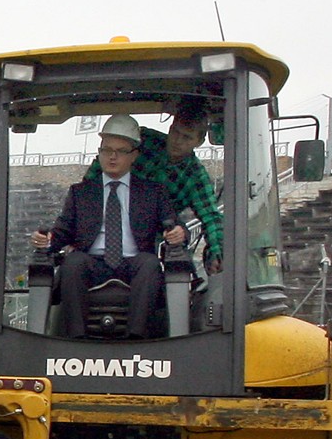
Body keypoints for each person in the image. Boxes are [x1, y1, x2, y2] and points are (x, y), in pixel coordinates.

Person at [32, 114, 184, 339]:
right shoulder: (81, 192)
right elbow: (63, 231)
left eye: (121, 151)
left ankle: (136, 337)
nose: (112, 157)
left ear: (134, 156)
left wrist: (180, 233)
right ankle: (76, 338)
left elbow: (174, 224)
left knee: (150, 263)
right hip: (93, 264)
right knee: (72, 262)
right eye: (106, 150)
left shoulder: (153, 192)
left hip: (134, 263)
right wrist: (48, 240)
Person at [84, 98, 222, 274]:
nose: (178, 141)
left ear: (199, 141)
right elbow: (94, 176)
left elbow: (211, 216)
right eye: (175, 132)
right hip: (105, 218)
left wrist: (217, 252)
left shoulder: (196, 177)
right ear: (170, 128)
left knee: (176, 257)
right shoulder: (142, 141)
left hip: (150, 236)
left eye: (186, 137)